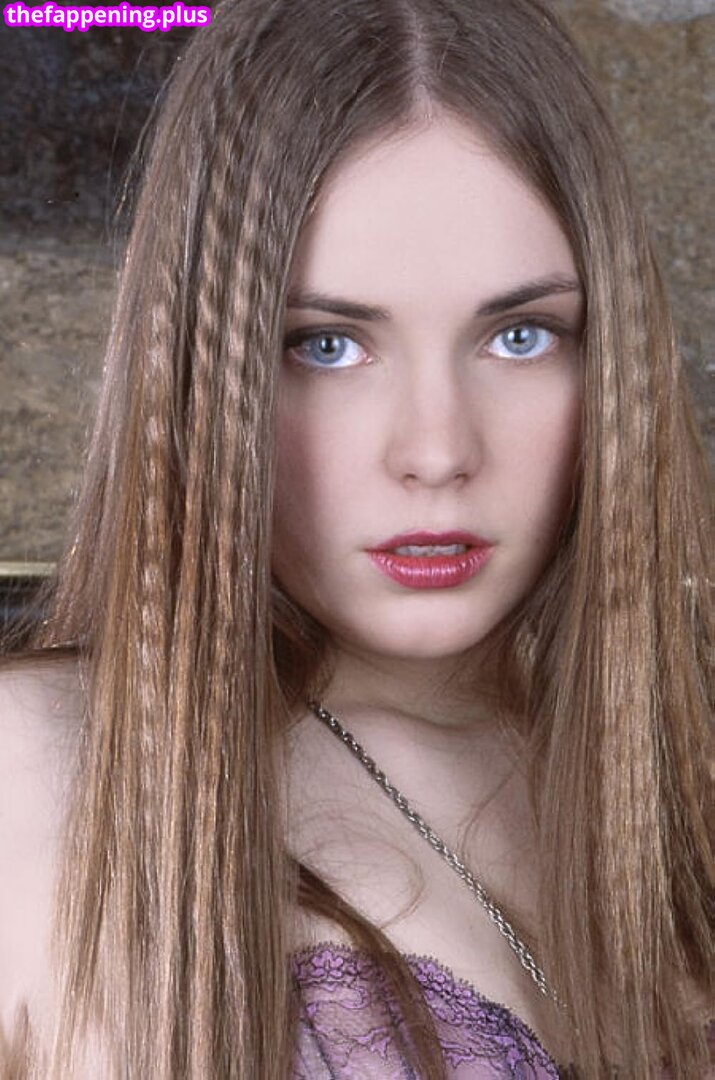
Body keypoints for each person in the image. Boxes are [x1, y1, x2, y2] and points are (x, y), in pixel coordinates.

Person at [0, 0, 712, 1076]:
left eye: (520, 336)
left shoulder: (676, 786)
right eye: (326, 345)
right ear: (205, 372)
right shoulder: (46, 771)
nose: (436, 450)